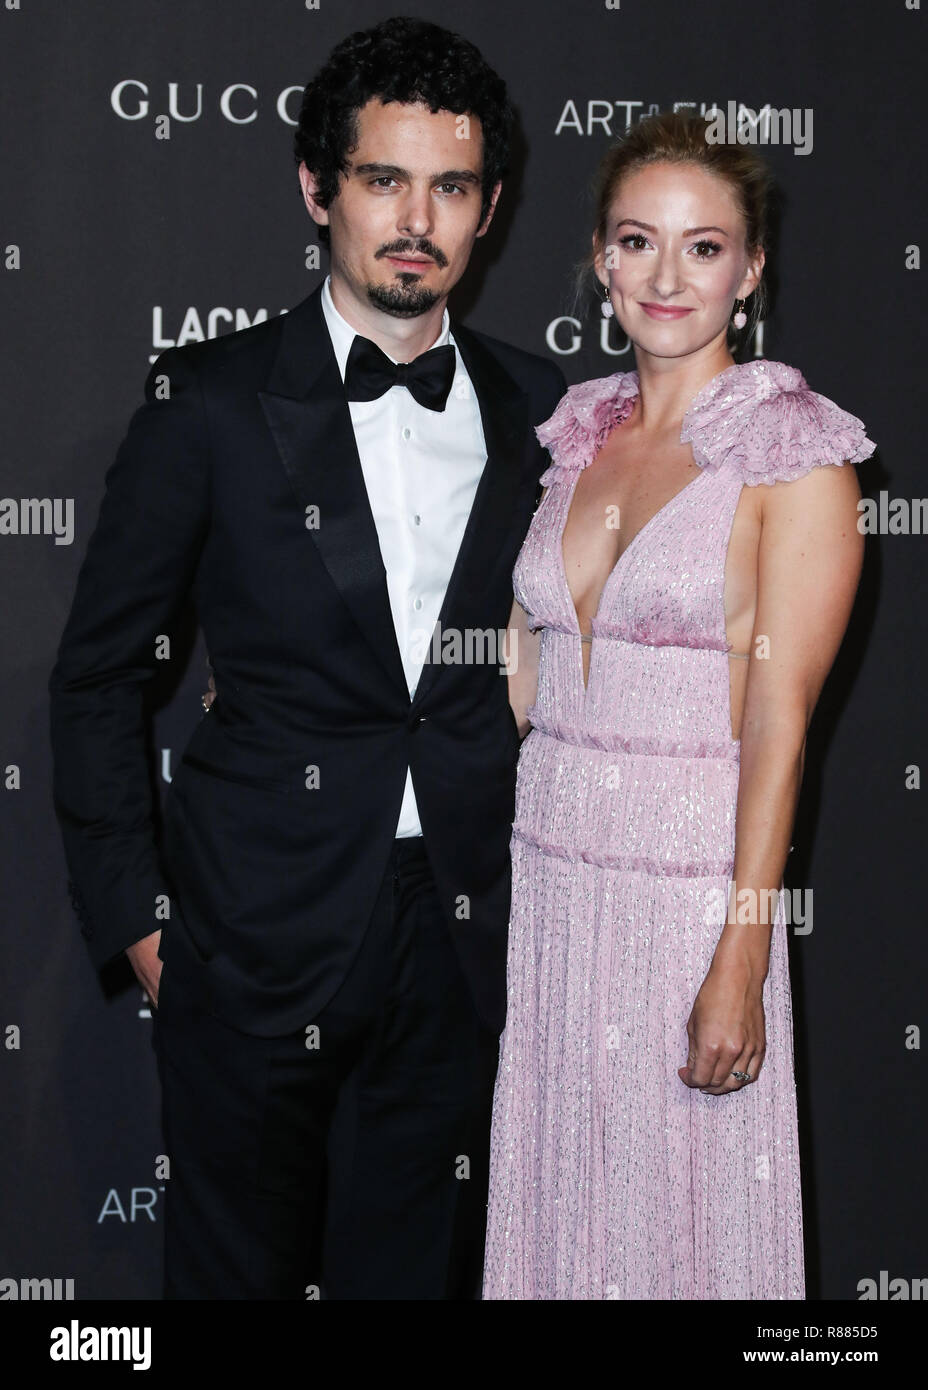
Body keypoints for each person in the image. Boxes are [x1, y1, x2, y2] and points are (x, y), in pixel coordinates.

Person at [48, 17, 564, 1300]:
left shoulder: (542, 413)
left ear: (488, 208)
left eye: (449, 187)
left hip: (458, 931)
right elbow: (102, 673)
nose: (415, 218)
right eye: (382, 179)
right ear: (316, 187)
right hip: (249, 928)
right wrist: (144, 925)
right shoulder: (208, 401)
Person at [482, 110, 875, 1300]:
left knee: (679, 1229)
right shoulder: (577, 434)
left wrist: (741, 950)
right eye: (638, 242)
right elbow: (529, 657)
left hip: (684, 900)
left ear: (751, 270)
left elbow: (779, 721)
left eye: (704, 248)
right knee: (566, 1211)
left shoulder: (793, 453)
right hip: (556, 887)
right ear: (600, 259)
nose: (667, 275)